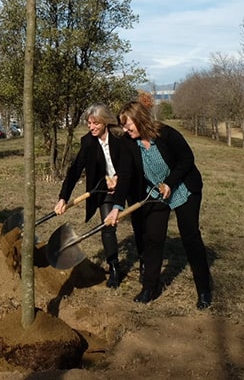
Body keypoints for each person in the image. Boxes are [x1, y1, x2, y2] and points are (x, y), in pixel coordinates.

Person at [107, 93, 213, 309]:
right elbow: (125, 174)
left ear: (140, 119)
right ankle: (149, 288)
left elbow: (186, 160)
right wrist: (117, 206)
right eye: (123, 127)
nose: (126, 131)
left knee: (190, 237)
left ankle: (204, 290)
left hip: (184, 188)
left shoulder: (166, 134)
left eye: (128, 126)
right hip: (154, 193)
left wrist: (169, 183)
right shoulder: (129, 143)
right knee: (153, 239)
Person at [55, 103, 133, 288]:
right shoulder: (88, 142)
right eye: (89, 123)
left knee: (140, 224)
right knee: (107, 226)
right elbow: (74, 171)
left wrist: (119, 179)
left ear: (105, 122)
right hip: (104, 189)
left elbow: (130, 166)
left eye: (95, 123)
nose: (91, 127)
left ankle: (146, 262)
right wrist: (63, 197)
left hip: (129, 183)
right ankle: (114, 267)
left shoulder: (121, 138)